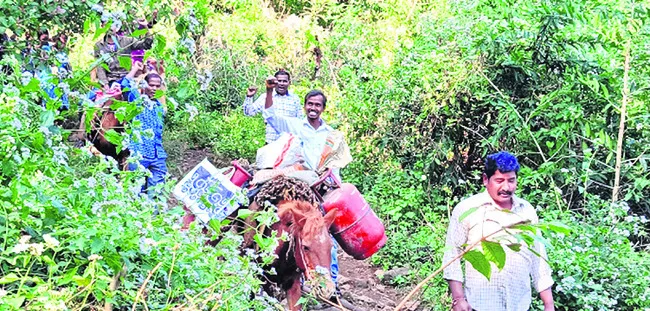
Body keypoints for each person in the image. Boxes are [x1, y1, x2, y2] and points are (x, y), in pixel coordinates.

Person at [262, 78, 350, 308]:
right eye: (309, 104)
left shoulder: (331, 135)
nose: (313, 108)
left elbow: (335, 166)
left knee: (323, 238)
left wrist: (330, 183)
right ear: (305, 106)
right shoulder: (296, 126)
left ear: (323, 108)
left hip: (319, 188)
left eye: (317, 105)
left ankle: (329, 285)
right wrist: (268, 91)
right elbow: (271, 116)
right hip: (300, 182)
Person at [442, 151, 555, 311]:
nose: (506, 187)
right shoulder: (468, 209)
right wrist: (458, 298)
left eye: (511, 180)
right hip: (479, 306)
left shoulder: (526, 211)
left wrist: (549, 304)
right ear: (485, 179)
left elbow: (539, 259)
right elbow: (452, 255)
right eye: (499, 180)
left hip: (520, 306)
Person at [122, 62, 167, 195]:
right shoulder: (136, 101)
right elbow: (125, 85)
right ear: (144, 85)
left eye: (157, 86)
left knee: (157, 192)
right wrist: (135, 68)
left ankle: (154, 214)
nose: (153, 89)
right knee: (136, 192)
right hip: (139, 153)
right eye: (151, 85)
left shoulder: (159, 106)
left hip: (158, 155)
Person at [243, 69, 303, 144]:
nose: (282, 83)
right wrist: (249, 97)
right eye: (279, 81)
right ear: (275, 82)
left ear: (289, 83)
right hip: (271, 142)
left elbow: (299, 121)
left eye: (284, 81)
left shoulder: (294, 99)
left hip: (289, 144)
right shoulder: (266, 97)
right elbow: (249, 112)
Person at [94, 22, 154, 88]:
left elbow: (146, 45)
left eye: (112, 24)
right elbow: (100, 67)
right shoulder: (98, 45)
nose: (110, 27)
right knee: (91, 96)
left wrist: (145, 26)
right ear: (102, 26)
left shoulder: (127, 40)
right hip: (110, 79)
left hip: (127, 77)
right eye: (107, 24)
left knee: (135, 96)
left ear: (117, 27)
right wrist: (105, 85)